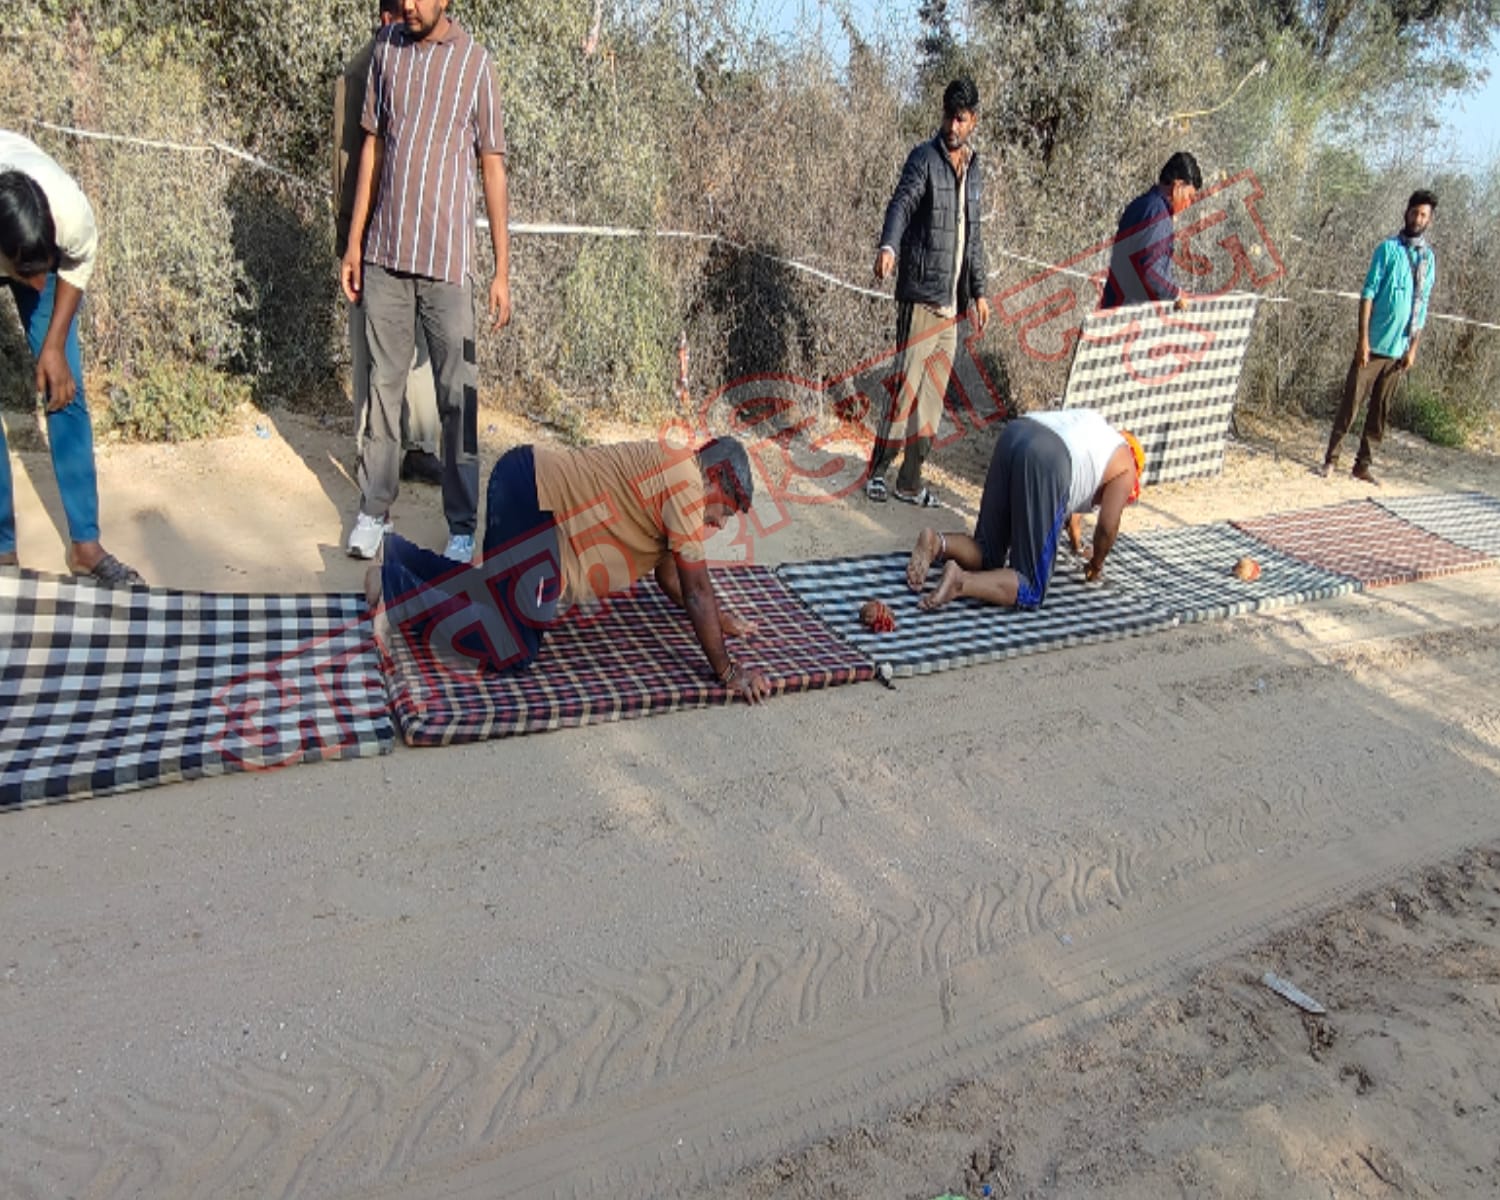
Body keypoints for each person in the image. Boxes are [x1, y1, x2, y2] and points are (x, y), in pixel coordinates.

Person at [372, 435, 774, 703]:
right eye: (726, 510)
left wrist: (719, 619)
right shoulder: (686, 484)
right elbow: (697, 591)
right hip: (535, 500)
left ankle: (398, 558)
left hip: (524, 483)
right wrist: (728, 672)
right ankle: (396, 591)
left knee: (494, 603)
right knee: (513, 646)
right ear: (715, 477)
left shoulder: (678, 473)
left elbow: (672, 577)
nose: (720, 523)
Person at [340, 0, 512, 563]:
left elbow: (492, 165)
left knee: (458, 398)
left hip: (448, 268)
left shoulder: (477, 63)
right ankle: (374, 511)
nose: (409, 5)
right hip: (385, 258)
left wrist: (501, 269)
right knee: (383, 392)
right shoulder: (386, 53)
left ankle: (462, 527)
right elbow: (372, 147)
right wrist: (355, 242)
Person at [0, 131, 143, 587]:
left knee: (64, 386)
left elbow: (75, 266)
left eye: (43, 270)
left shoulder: (69, 213)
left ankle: (85, 546)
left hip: (37, 237)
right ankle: (2, 550)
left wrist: (54, 345)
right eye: (26, 274)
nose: (38, 285)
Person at [333, 0, 443, 490]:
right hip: (373, 239)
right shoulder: (365, 69)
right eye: (405, 14)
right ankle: (371, 453)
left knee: (417, 343)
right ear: (386, 19)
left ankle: (418, 447)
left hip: (415, 236)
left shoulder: (416, 61)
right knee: (371, 352)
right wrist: (351, 242)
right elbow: (349, 165)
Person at [866, 77, 991, 508]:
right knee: (905, 389)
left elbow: (974, 237)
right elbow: (901, 203)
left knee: (932, 403)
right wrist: (889, 246)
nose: (953, 126)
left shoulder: (974, 169)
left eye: (961, 119)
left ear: (973, 121)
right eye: (948, 116)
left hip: (952, 306)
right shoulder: (923, 158)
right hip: (920, 296)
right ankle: (878, 472)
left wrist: (979, 292)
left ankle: (910, 480)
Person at [905, 409, 1143, 611]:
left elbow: (1074, 505)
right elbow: (1108, 525)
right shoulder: (1126, 466)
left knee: (988, 553)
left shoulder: (1095, 430)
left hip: (1016, 432)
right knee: (1031, 585)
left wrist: (1077, 544)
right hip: (1048, 459)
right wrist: (1096, 565)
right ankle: (961, 582)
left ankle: (936, 542)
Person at [1320, 189, 1438, 486]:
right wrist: (1363, 340)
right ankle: (1331, 459)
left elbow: (1422, 305)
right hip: (1373, 345)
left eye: (1424, 215)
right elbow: (1368, 293)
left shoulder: (1428, 259)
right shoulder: (1387, 249)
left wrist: (1413, 348)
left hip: (1399, 350)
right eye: (1415, 212)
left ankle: (1363, 465)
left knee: (1380, 412)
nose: (1418, 219)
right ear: (1406, 213)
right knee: (1351, 404)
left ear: (1429, 220)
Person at [1099, 151, 1203, 311]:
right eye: (1189, 196)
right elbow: (1151, 271)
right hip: (1132, 315)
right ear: (1178, 185)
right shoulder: (1157, 213)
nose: (1188, 204)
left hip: (1115, 308)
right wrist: (1176, 294)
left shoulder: (1140, 204)